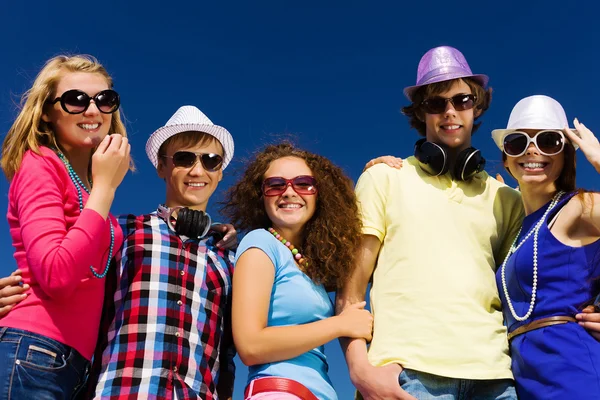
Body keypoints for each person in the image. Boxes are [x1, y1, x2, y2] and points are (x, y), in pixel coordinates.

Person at [336, 46, 523, 399]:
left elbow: (532, 284)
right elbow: (351, 292)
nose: (449, 112)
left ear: (477, 105)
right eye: (435, 103)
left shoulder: (506, 199)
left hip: (496, 379)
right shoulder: (384, 179)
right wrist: (361, 372)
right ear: (420, 113)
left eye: (462, 100)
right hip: (409, 376)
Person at [0, 55, 131, 398]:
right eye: (75, 100)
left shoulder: (90, 191)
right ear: (47, 111)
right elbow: (56, 275)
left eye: (105, 100)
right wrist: (105, 189)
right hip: (33, 352)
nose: (92, 111)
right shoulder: (40, 164)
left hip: (71, 367)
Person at [90, 105, 237, 399]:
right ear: (161, 166)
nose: (198, 170)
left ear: (220, 173)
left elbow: (229, 354)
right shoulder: (123, 231)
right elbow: (67, 276)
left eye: (211, 161)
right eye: (184, 158)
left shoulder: (230, 258)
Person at [221, 142, 373, 399]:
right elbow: (250, 345)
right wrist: (340, 324)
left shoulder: (306, 264)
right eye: (276, 185)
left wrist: (376, 171)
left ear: (319, 194)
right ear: (261, 196)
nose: (289, 192)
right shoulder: (261, 243)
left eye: (303, 183)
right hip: (280, 391)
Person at [492, 95, 600, 399]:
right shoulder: (516, 231)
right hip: (525, 383)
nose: (532, 149)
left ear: (566, 154)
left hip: (575, 378)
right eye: (517, 142)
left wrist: (597, 156)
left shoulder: (579, 208)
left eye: (549, 141)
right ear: (505, 157)